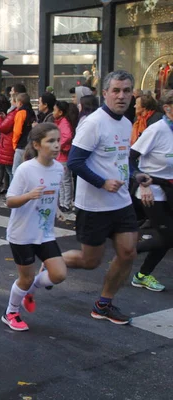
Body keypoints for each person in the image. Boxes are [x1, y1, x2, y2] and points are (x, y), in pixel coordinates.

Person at [64, 70, 150, 325]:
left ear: (132, 94)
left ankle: (104, 304)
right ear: (105, 94)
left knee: (128, 252)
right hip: (94, 205)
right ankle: (53, 262)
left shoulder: (126, 123)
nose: (121, 96)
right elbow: (74, 162)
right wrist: (102, 182)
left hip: (121, 201)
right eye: (116, 90)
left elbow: (122, 160)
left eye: (126, 91)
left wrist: (136, 174)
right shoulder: (93, 123)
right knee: (90, 261)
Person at [2, 123, 67, 331]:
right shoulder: (25, 169)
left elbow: (51, 193)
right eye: (51, 141)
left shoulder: (59, 168)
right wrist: (29, 196)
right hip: (22, 233)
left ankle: (30, 290)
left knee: (58, 274)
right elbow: (9, 201)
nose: (57, 145)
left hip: (45, 232)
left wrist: (56, 209)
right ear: (37, 145)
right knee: (26, 277)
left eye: (58, 140)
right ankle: (11, 312)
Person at [128, 91, 173, 292]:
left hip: (169, 189)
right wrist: (142, 183)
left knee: (167, 237)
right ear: (168, 109)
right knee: (168, 236)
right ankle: (127, 252)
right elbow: (129, 159)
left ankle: (142, 275)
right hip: (151, 191)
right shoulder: (156, 130)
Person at [53, 101, 75, 212]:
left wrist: (58, 145)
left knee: (65, 180)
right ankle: (62, 202)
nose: (53, 112)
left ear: (60, 112)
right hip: (60, 155)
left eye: (55, 110)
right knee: (61, 180)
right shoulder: (61, 122)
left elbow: (68, 135)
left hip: (63, 156)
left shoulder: (64, 122)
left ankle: (66, 203)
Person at [12, 93, 37, 174]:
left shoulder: (20, 113)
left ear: (20, 103)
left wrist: (14, 144)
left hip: (21, 145)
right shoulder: (32, 112)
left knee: (16, 171)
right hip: (30, 145)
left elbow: (17, 131)